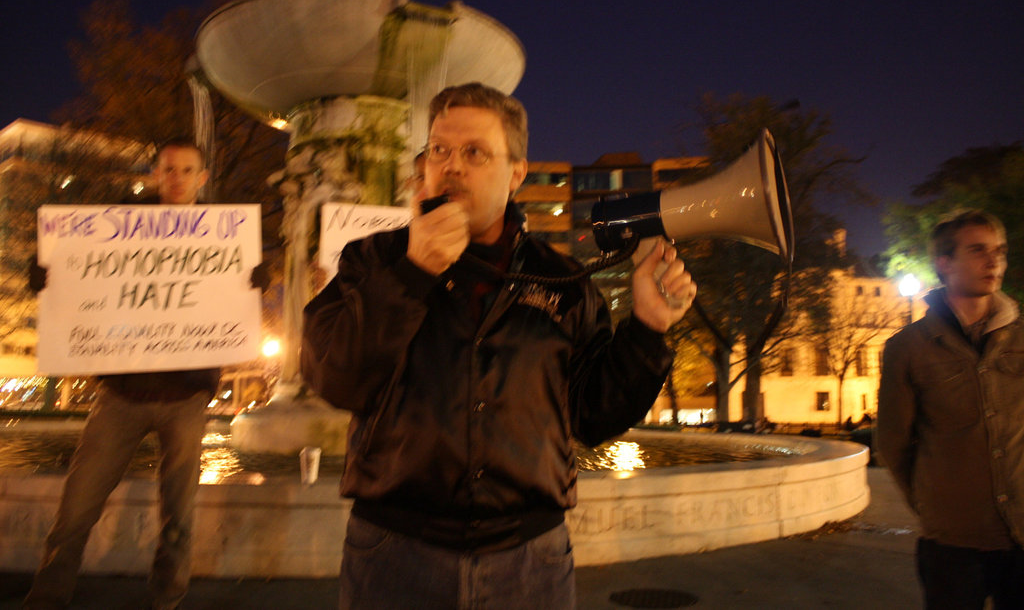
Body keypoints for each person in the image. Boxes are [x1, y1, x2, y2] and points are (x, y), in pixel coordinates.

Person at [302, 83, 696, 609]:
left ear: (516, 173)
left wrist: (647, 328)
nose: (452, 166)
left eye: (474, 152)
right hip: (396, 553)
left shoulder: (563, 279)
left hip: (529, 559)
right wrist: (411, 273)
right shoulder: (373, 260)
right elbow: (333, 375)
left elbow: (593, 416)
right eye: (439, 150)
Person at [24, 139, 261, 610]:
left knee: (179, 509)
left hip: (186, 397)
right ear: (157, 173)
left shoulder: (224, 235)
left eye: (187, 170)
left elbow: (229, 293)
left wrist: (252, 279)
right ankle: (48, 595)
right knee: (77, 506)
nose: (176, 178)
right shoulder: (113, 225)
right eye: (168, 169)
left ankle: (167, 596)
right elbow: (78, 274)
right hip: (120, 394)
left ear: (201, 178)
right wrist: (47, 275)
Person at [877, 209, 1024, 609]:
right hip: (953, 544)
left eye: (1000, 251)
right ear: (944, 263)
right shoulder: (908, 348)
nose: (994, 261)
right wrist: (931, 505)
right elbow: (893, 441)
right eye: (978, 250)